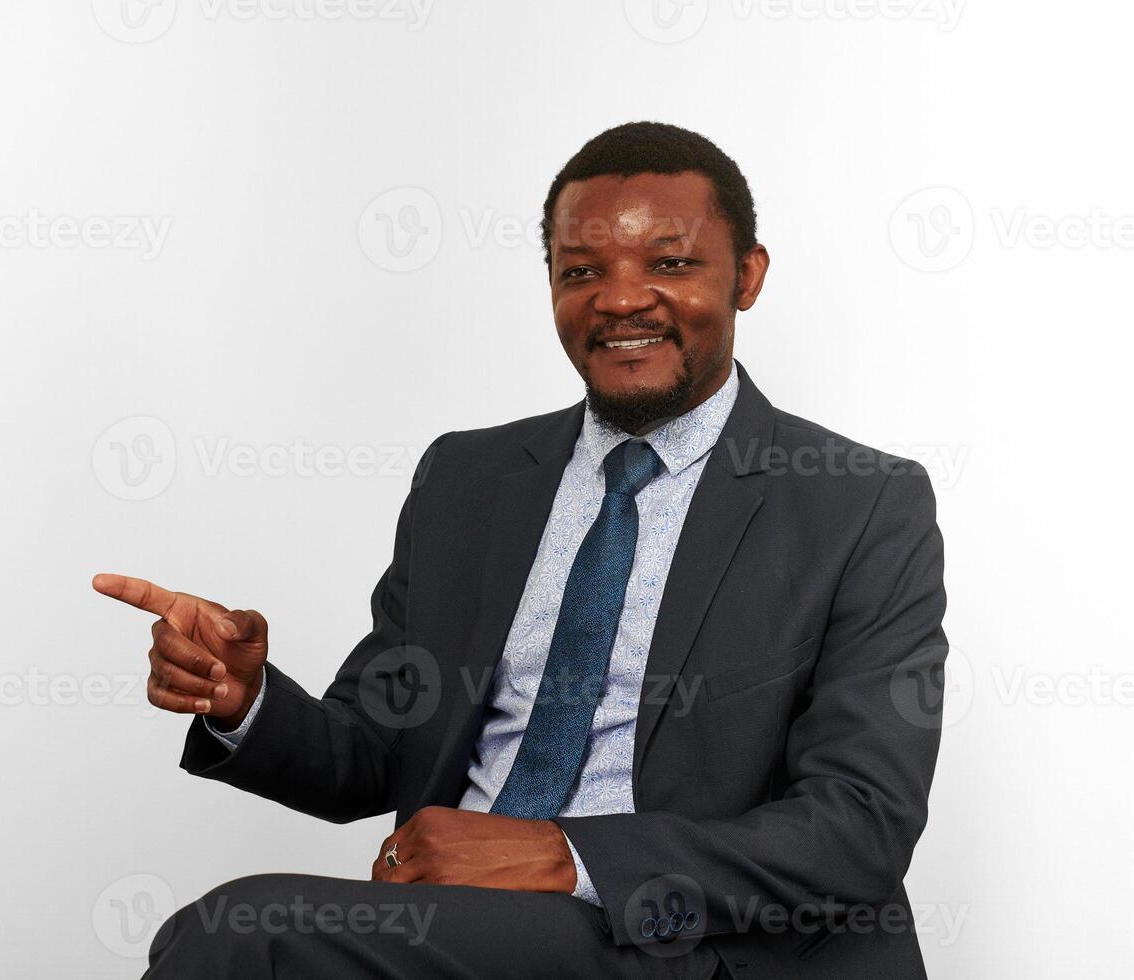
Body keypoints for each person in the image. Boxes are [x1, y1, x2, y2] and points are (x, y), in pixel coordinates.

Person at [94, 120, 948, 979]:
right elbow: (375, 752)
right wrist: (243, 701)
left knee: (239, 933)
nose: (620, 299)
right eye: (582, 271)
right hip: (457, 921)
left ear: (748, 276)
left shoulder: (860, 502)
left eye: (669, 262)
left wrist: (561, 856)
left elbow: (859, 822)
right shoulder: (467, 478)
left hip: (691, 943)